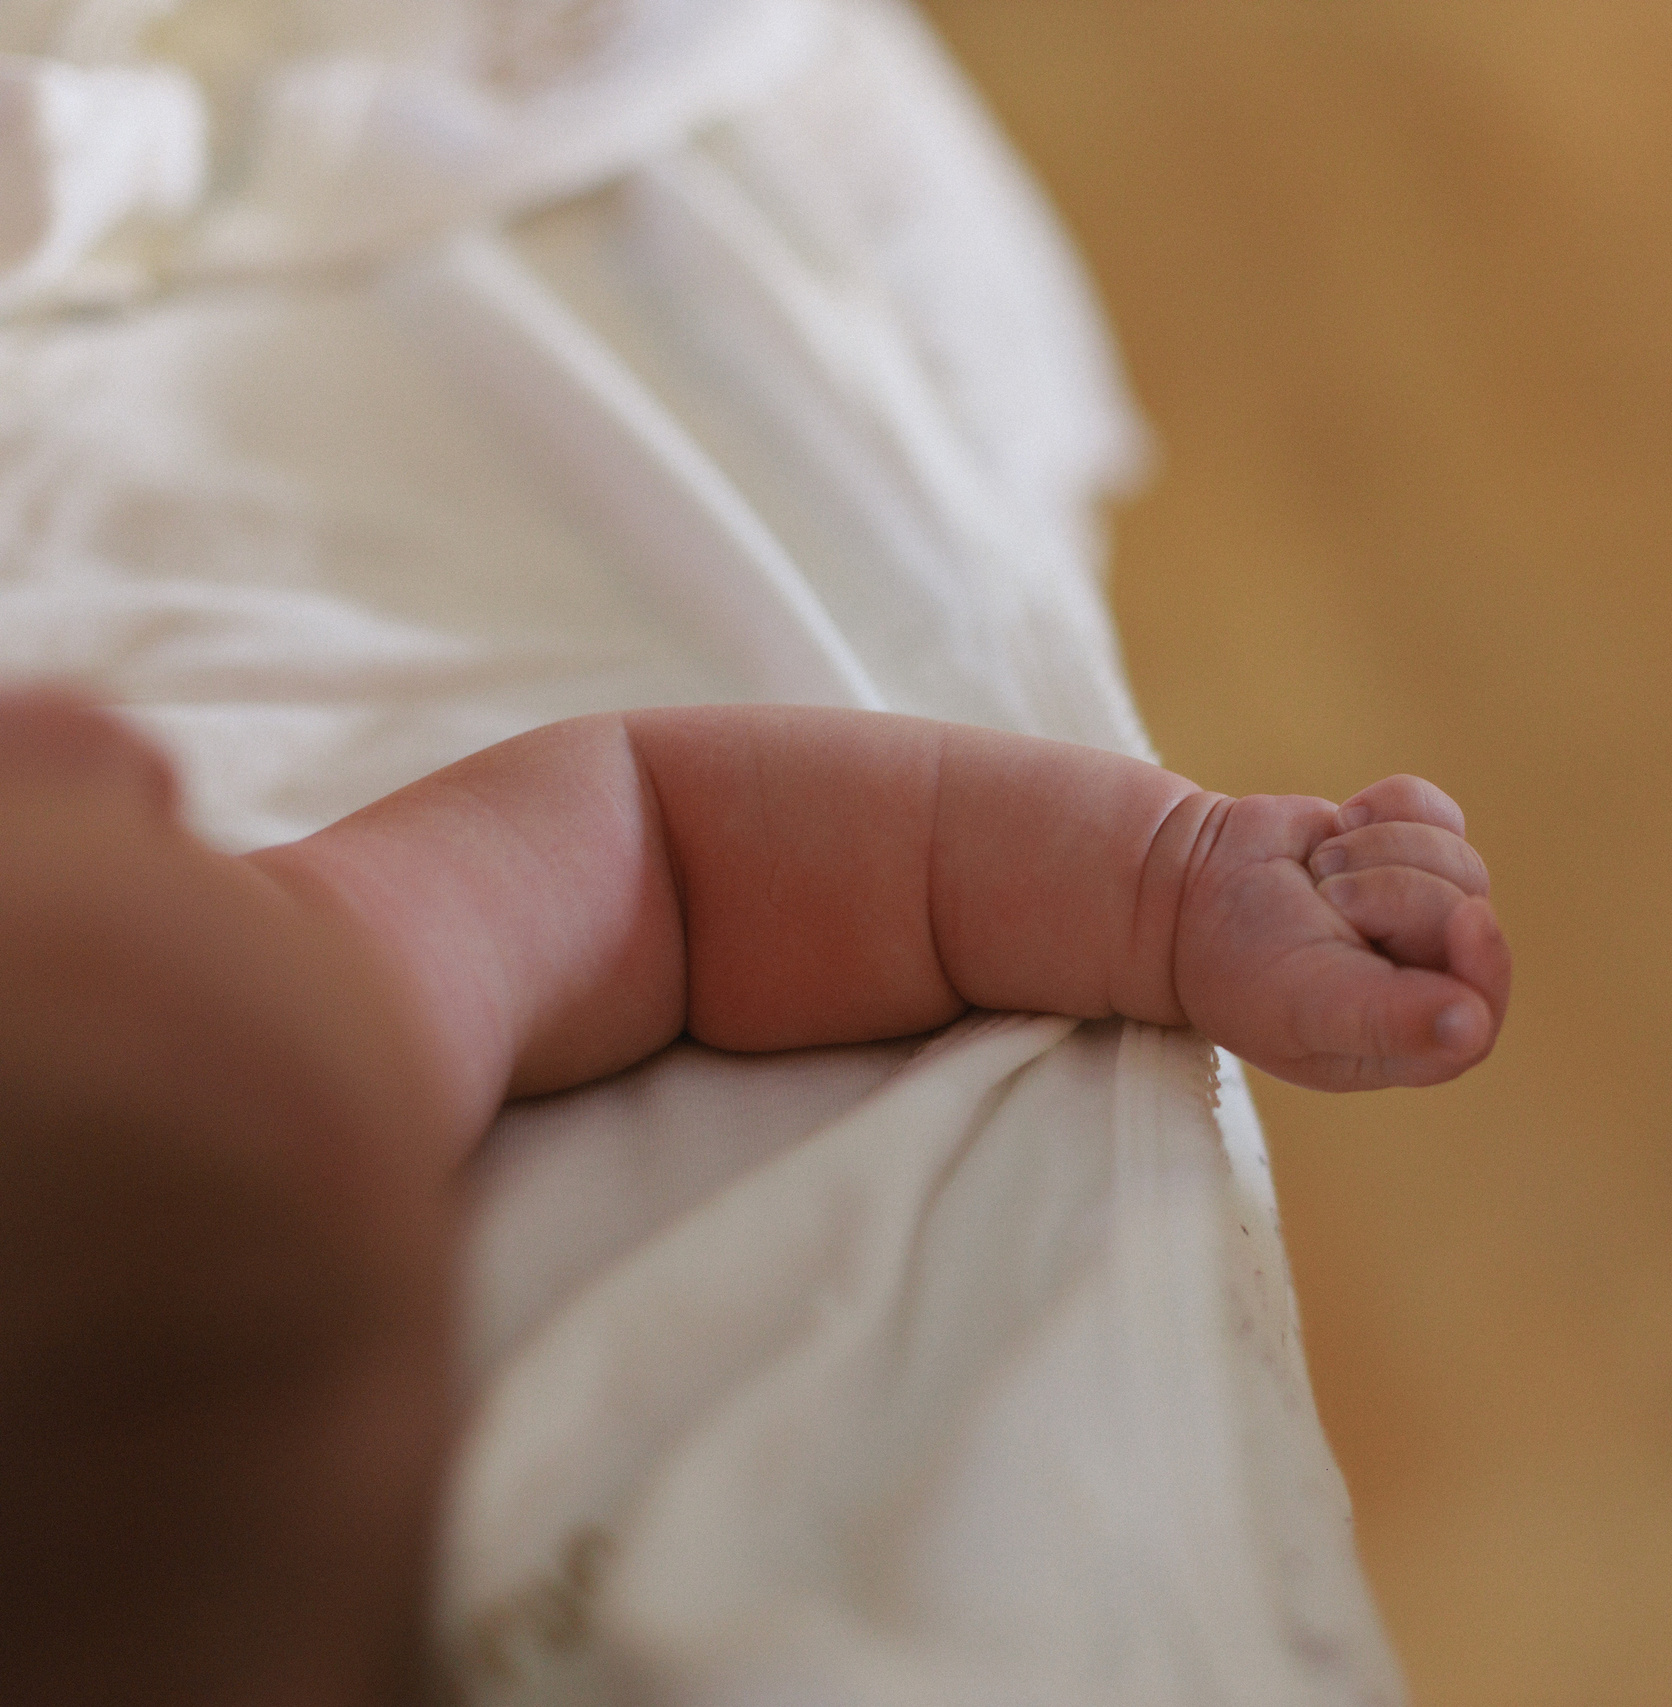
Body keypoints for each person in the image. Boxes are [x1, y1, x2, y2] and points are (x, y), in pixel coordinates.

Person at [0, 684, 1508, 1706]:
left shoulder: (191, 1061)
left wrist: (1169, 877)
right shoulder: (221, 1049)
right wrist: (1162, 880)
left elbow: (645, 857)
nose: (78, 729)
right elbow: (646, 855)